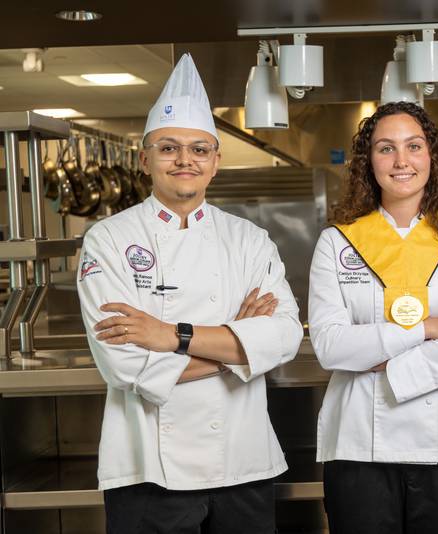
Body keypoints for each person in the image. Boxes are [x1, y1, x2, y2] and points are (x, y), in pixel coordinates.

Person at [77, 54, 303, 534]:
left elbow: (282, 337)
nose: (185, 160)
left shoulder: (249, 238)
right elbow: (124, 365)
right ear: (144, 159)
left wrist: (168, 335)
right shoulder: (109, 238)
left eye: (200, 149)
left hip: (243, 461)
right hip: (146, 470)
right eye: (169, 148)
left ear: (216, 162)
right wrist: (236, 351)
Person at [308, 101, 438, 534]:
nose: (401, 161)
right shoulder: (337, 243)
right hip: (359, 445)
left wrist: (380, 360)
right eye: (385, 149)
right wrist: (426, 329)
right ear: (368, 162)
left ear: (431, 157)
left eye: (413, 146)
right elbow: (330, 346)